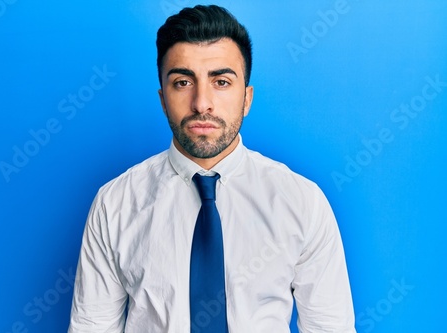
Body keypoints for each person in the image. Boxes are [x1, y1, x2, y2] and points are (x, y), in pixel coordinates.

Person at [68, 4, 355, 333]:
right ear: (163, 99)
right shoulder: (115, 203)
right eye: (182, 82)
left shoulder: (302, 202)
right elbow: (92, 326)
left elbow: (330, 328)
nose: (202, 102)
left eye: (221, 81)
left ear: (246, 98)